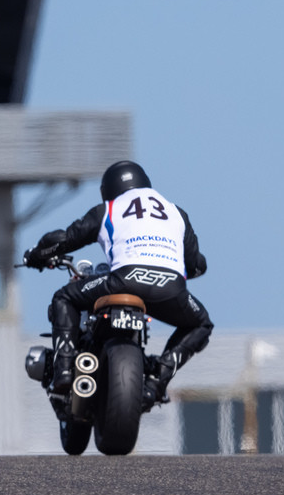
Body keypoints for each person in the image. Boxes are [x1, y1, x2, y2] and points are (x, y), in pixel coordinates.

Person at [24, 160, 213, 404]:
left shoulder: (109, 209)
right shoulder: (177, 212)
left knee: (64, 297)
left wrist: (37, 255)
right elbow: (196, 264)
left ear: (109, 190)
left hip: (124, 281)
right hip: (171, 287)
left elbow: (65, 239)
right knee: (201, 324)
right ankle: (158, 378)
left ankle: (64, 369)